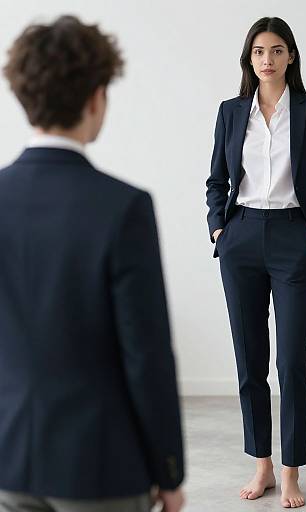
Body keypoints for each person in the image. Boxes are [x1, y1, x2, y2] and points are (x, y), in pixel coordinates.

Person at [0, 15, 184, 512]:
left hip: (8, 457)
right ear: (96, 97)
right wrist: (168, 470)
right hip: (99, 465)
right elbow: (147, 356)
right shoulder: (123, 207)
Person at [206, 16, 306, 508]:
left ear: (291, 57)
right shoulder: (230, 112)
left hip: (292, 236)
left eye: (278, 50)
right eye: (260, 51)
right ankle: (261, 463)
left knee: (291, 363)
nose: (268, 59)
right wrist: (219, 229)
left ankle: (291, 471)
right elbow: (216, 180)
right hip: (241, 235)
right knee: (250, 362)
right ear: (249, 58)